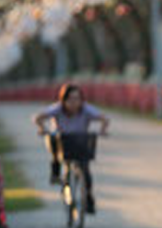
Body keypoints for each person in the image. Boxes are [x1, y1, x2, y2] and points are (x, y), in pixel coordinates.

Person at [33, 83, 110, 213]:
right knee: (52, 138)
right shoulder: (57, 109)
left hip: (80, 142)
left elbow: (104, 119)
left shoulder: (86, 109)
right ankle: (55, 167)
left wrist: (103, 130)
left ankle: (88, 197)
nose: (74, 103)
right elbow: (39, 117)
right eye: (70, 99)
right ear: (63, 100)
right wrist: (42, 128)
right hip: (62, 142)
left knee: (85, 169)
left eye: (77, 99)